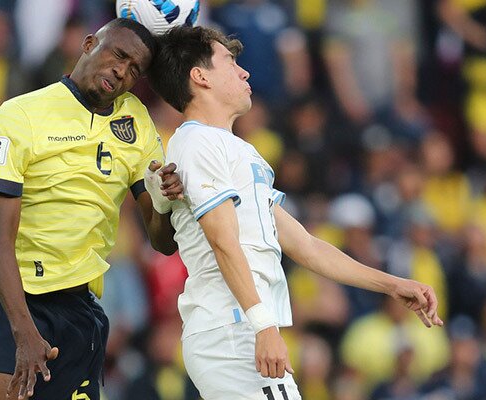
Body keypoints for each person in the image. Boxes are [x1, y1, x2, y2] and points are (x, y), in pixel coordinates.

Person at [146, 26, 444, 400]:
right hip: (231, 327)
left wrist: (394, 284)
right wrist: (263, 326)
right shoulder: (196, 142)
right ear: (200, 76)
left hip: (240, 327)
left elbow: (306, 245)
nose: (244, 72)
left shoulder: (238, 150)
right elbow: (223, 241)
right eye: (230, 62)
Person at [0, 18, 183, 400]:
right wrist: (23, 331)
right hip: (5, 297)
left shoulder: (137, 121)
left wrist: (166, 200)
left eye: (134, 69)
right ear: (89, 44)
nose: (122, 71)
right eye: (118, 55)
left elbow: (163, 242)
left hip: (77, 306)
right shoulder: (19, 114)